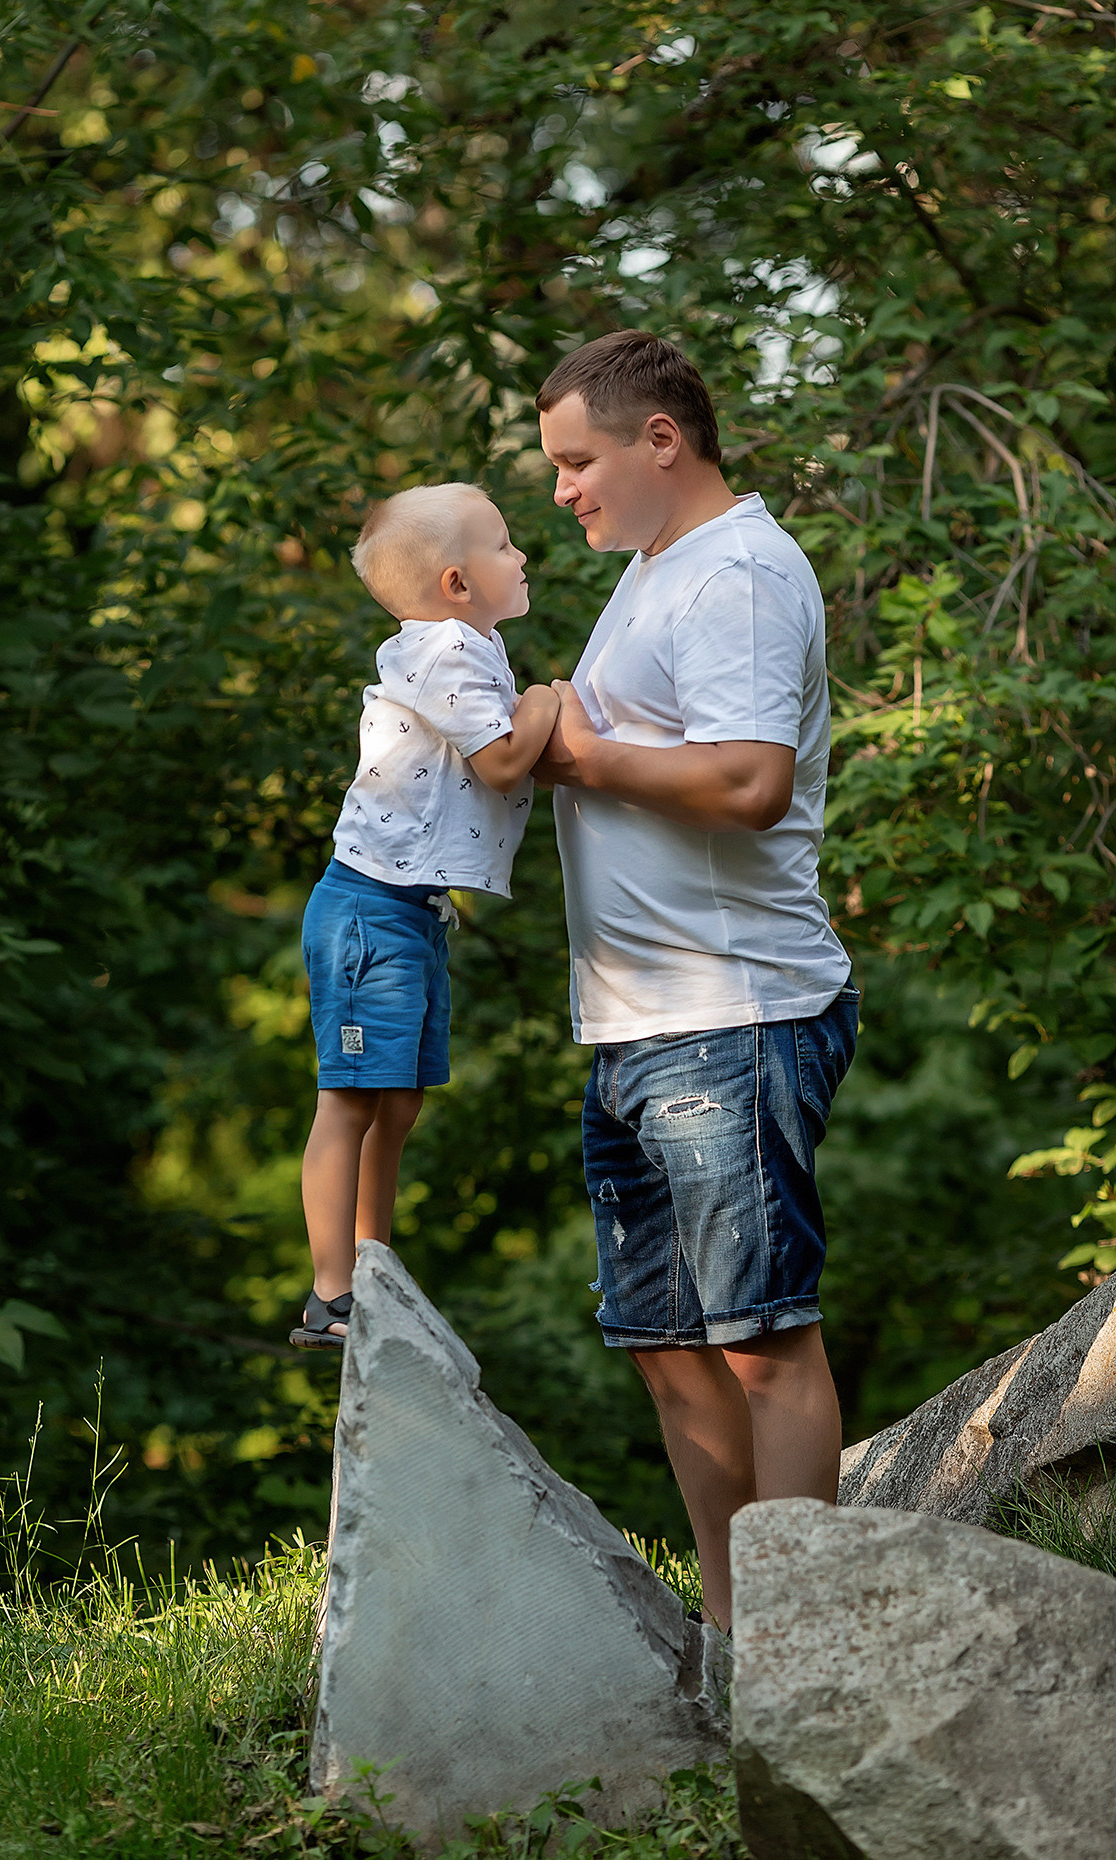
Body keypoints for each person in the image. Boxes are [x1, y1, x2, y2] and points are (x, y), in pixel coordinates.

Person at [533, 330, 857, 1631]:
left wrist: (575, 756)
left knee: (759, 1344)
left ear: (659, 439)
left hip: (735, 1011)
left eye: (577, 460)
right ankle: (734, 1649)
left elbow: (743, 781)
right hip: (639, 1020)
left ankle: (805, 1651)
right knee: (668, 1347)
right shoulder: (657, 569)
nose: (560, 489)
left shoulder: (737, 574)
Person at [292, 483, 560, 1348]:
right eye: (506, 544)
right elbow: (506, 762)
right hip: (368, 912)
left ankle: (375, 1264)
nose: (521, 557)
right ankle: (332, 1295)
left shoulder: (468, 646)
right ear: (456, 582)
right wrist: (553, 700)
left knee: (397, 1102)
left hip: (408, 911)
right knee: (351, 1099)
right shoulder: (443, 652)